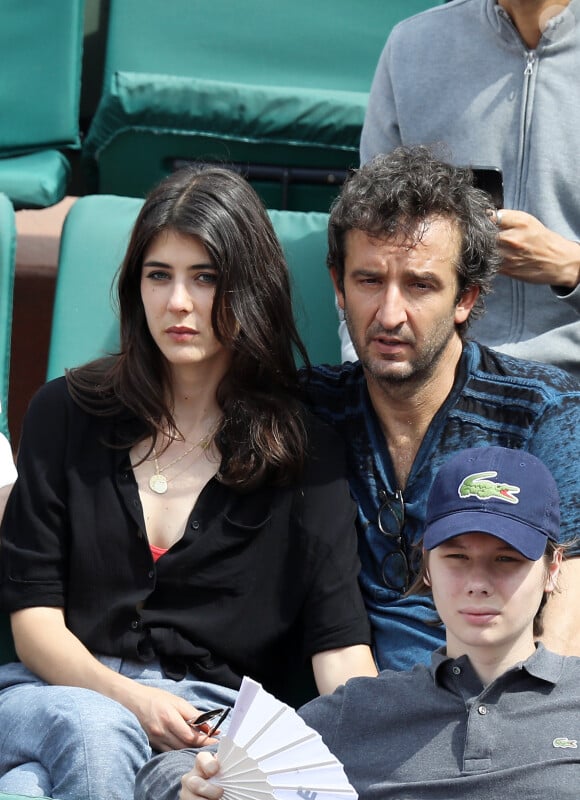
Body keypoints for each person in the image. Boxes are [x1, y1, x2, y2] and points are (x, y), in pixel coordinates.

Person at [0, 165, 376, 800]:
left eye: (205, 278)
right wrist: (131, 700)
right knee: (95, 731)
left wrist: (384, 752)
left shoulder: (307, 458)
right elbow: (34, 619)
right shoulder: (64, 413)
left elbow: (338, 650)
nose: (178, 302)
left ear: (249, 288)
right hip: (54, 694)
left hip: (206, 727)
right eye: (159, 275)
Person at [142, 446, 580, 800]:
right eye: (457, 558)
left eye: (506, 559)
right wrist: (188, 787)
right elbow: (170, 769)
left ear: (554, 568)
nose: (478, 583)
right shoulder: (363, 710)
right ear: (426, 565)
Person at [303, 145, 580, 671]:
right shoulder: (304, 408)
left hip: (489, 711)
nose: (389, 313)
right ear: (338, 285)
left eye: (420, 285)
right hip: (340, 707)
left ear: (466, 298)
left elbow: (568, 622)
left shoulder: (543, 412)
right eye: (369, 280)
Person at [343, 0, 580, 377]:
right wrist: (363, 372)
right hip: (437, 382)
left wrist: (571, 266)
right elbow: (363, 235)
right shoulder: (414, 46)